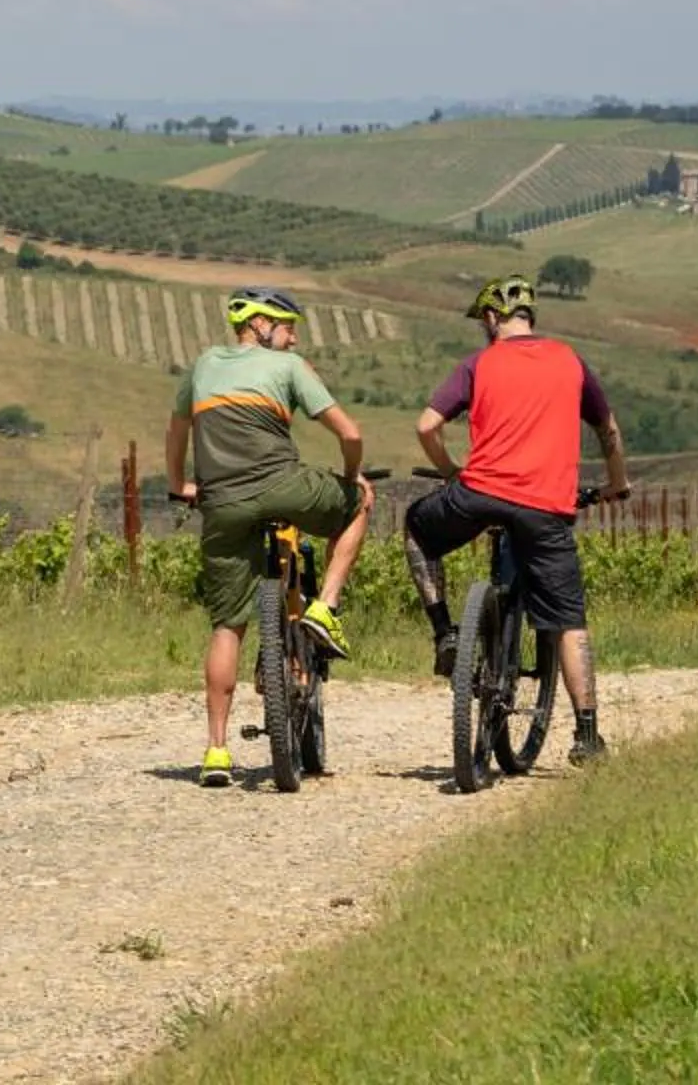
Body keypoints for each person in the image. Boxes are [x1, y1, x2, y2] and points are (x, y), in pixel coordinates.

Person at [401, 274, 632, 765]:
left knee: (417, 528)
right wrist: (616, 483)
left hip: (478, 493)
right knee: (567, 619)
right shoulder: (570, 360)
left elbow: (426, 426)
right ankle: (587, 736)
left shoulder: (479, 363)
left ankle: (445, 631)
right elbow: (607, 429)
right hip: (544, 507)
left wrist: (451, 473)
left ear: (491, 317)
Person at [167, 285, 374, 788]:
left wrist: (179, 485)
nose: (294, 337)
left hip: (222, 503)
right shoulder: (289, 367)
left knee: (226, 626)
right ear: (260, 326)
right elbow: (350, 434)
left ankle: (217, 751)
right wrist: (352, 479)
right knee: (359, 506)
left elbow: (176, 432)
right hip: (283, 487)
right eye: (287, 327)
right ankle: (325, 607)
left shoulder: (201, 366)